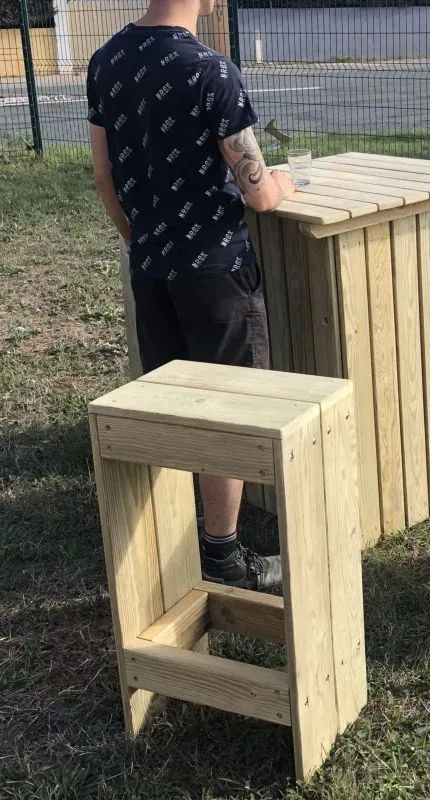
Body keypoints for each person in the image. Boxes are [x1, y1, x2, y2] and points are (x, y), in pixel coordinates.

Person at [86, 0, 296, 591]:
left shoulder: (106, 60)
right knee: (232, 407)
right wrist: (284, 180)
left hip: (152, 269)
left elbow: (103, 174)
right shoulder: (212, 71)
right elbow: (258, 193)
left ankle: (171, 540)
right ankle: (222, 555)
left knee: (176, 403)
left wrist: (138, 241)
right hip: (217, 274)